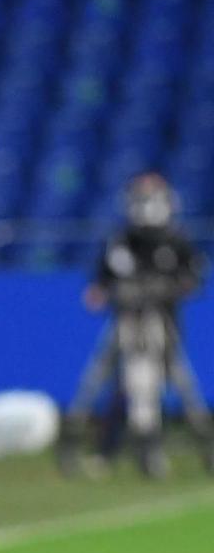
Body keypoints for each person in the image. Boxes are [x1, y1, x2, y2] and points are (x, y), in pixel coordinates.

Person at [61, 172, 213, 478]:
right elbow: (98, 287)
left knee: (178, 384)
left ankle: (197, 448)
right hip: (126, 320)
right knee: (110, 382)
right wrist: (111, 292)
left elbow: (194, 278)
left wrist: (164, 289)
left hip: (162, 322)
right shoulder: (121, 241)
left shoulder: (175, 240)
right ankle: (95, 448)